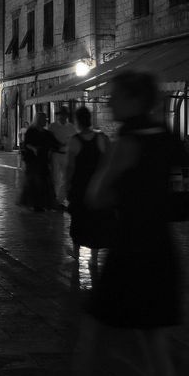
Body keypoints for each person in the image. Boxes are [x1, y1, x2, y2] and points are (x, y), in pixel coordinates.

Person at [72, 71, 185, 376]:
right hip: (162, 248)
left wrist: (125, 193)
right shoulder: (169, 139)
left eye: (115, 95)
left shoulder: (127, 143)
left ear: (134, 99)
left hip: (129, 250)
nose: (109, 101)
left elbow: (97, 195)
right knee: (155, 345)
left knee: (94, 339)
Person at [64, 107, 112, 276]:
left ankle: (76, 254)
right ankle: (93, 257)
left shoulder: (75, 140)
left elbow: (70, 167)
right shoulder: (101, 138)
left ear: (77, 121)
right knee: (96, 221)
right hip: (97, 187)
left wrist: (65, 186)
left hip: (79, 187)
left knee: (78, 220)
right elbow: (108, 162)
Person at [18, 113, 58, 211]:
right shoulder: (31, 131)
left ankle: (43, 203)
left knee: (44, 182)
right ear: (38, 120)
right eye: (44, 119)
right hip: (32, 161)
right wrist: (34, 148)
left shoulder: (46, 133)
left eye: (46, 119)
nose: (46, 121)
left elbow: (54, 142)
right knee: (35, 182)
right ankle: (36, 204)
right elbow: (26, 143)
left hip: (43, 160)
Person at [48, 109, 77, 207]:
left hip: (67, 155)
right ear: (58, 116)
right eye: (61, 115)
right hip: (55, 154)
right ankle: (54, 198)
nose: (63, 117)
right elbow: (49, 140)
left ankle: (60, 200)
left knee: (66, 178)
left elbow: (74, 140)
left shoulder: (71, 127)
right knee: (55, 177)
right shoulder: (53, 127)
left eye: (64, 115)